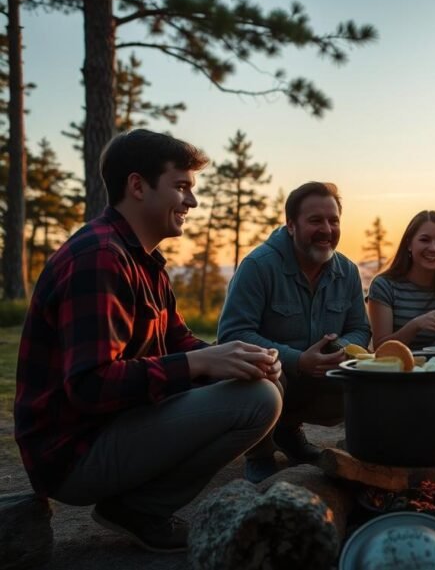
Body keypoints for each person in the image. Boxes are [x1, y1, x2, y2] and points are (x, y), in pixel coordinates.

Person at [14, 129, 283, 553]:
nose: (191, 202)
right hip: (73, 454)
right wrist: (201, 365)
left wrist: (236, 357)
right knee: (258, 401)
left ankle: (135, 505)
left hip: (114, 427)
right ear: (137, 186)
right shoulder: (99, 258)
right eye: (181, 187)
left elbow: (178, 342)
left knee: (258, 383)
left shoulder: (144, 261)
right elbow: (90, 386)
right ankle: (141, 509)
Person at [218, 181, 372, 483]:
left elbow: (360, 328)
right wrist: (298, 359)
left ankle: (288, 433)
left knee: (369, 377)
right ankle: (259, 453)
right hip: (274, 377)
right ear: (291, 225)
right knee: (261, 369)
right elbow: (232, 334)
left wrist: (339, 349)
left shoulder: (348, 272)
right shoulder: (258, 266)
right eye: (315, 220)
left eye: (333, 220)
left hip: (323, 377)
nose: (327, 229)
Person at [367, 210, 435, 350]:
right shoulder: (384, 286)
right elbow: (380, 349)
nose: (433, 248)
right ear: (409, 244)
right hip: (397, 370)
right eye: (424, 240)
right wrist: (415, 325)